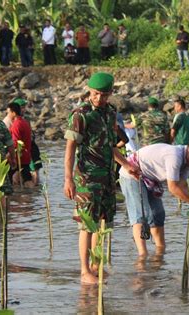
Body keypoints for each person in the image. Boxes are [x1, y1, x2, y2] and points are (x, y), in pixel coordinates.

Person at [64, 72, 138, 285]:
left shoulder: (110, 113)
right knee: (87, 225)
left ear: (111, 94)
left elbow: (111, 145)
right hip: (86, 178)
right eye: (96, 94)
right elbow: (70, 149)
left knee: (103, 223)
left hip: (107, 177)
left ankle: (97, 266)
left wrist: (126, 165)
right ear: (89, 90)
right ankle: (84, 270)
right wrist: (68, 179)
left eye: (104, 95)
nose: (99, 99)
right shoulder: (80, 115)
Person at [119, 140, 189, 257]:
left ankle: (160, 250)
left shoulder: (186, 163)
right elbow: (173, 188)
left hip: (150, 178)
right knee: (141, 215)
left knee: (158, 214)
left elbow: (182, 186)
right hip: (132, 173)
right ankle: (143, 255)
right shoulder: (174, 156)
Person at [7, 102, 34, 188]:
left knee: (8, 177)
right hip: (26, 154)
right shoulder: (25, 122)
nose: (8, 115)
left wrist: (10, 155)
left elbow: (15, 142)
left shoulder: (16, 124)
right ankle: (32, 197)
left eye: (9, 112)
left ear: (13, 113)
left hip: (19, 156)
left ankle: (11, 198)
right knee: (27, 178)